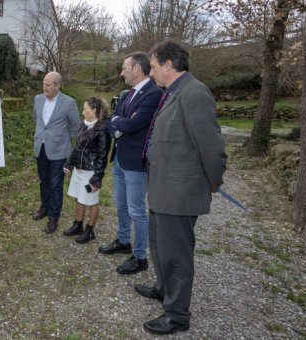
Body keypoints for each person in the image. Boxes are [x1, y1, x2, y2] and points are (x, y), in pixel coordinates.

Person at [135, 41, 226, 335]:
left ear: (168, 65)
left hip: (179, 193)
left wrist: (212, 182)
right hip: (162, 189)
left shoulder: (194, 93)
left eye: (153, 66)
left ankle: (177, 315)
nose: (151, 73)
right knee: (159, 246)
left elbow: (212, 147)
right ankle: (163, 289)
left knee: (176, 255)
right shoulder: (171, 93)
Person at [100, 52, 163, 275]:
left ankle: (140, 256)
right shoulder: (128, 94)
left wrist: (120, 124)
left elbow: (132, 124)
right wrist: (120, 123)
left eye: (125, 68)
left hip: (135, 162)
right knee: (121, 204)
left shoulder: (154, 93)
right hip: (119, 157)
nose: (122, 72)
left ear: (137, 69)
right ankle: (124, 240)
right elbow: (112, 120)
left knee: (137, 210)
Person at [32, 72, 81, 233]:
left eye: (48, 84)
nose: (44, 87)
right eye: (43, 84)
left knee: (55, 184)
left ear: (58, 85)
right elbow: (36, 120)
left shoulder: (69, 103)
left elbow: (75, 126)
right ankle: (44, 207)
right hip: (41, 147)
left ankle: (53, 218)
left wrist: (74, 151)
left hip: (59, 150)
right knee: (43, 181)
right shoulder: (38, 99)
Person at [62, 97, 110, 244]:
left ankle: (90, 230)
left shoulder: (102, 129)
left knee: (91, 201)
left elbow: (103, 156)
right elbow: (77, 147)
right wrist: (70, 164)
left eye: (85, 109)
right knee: (78, 197)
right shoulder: (82, 124)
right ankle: (78, 224)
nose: (83, 112)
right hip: (79, 169)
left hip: (91, 172)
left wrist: (97, 178)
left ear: (94, 110)